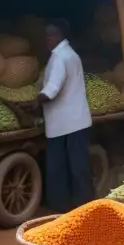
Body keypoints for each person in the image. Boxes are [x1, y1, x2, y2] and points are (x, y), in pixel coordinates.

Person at [38, 20, 93, 212]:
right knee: (74, 165)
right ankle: (78, 203)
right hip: (71, 121)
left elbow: (53, 88)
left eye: (48, 36)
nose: (46, 40)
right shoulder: (69, 54)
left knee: (63, 167)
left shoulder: (60, 57)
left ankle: (69, 205)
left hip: (67, 122)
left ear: (56, 36)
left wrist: (34, 102)